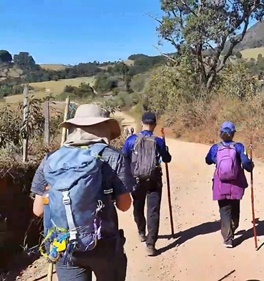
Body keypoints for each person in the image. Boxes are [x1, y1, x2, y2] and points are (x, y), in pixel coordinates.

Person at [31, 104, 134, 281]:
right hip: (104, 244)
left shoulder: (51, 159)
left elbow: (38, 210)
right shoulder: (113, 157)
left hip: (63, 246)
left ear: (73, 128)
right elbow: (124, 205)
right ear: (104, 128)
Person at [122, 112, 172, 256]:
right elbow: (167, 158)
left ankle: (141, 231)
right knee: (153, 211)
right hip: (154, 181)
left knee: (138, 207)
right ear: (155, 125)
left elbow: (124, 158)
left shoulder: (131, 140)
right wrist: (165, 148)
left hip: (136, 181)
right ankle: (150, 245)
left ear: (141, 122)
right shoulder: (158, 141)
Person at [205, 121, 254, 248]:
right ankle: (233, 227)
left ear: (221, 133)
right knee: (235, 207)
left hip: (220, 183)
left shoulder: (215, 148)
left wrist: (215, 160)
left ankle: (228, 238)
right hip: (236, 183)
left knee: (224, 209)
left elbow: (207, 160)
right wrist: (250, 166)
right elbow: (246, 163)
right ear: (233, 134)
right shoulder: (239, 147)